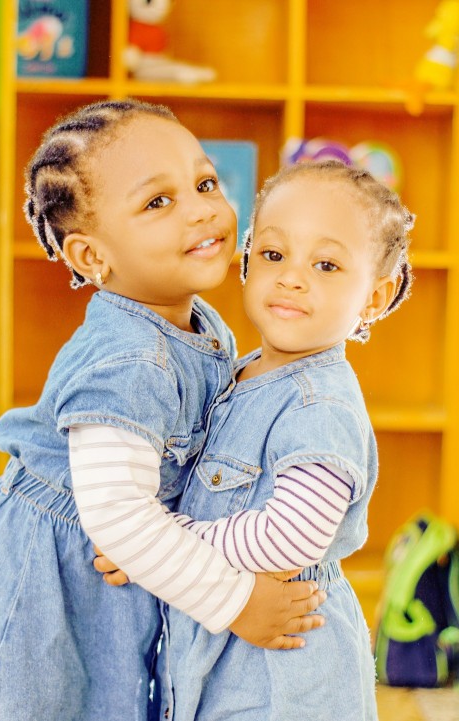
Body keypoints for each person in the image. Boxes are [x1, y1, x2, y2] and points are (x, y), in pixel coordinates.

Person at [0, 99, 324, 721]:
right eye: (157, 202)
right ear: (91, 257)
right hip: (45, 578)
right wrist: (237, 602)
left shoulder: (197, 318)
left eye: (205, 182)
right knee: (39, 701)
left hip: (121, 553)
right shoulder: (129, 360)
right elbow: (116, 514)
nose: (201, 209)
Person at [97, 159, 414, 720]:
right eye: (273, 255)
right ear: (245, 262)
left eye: (326, 264)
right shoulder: (236, 374)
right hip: (219, 660)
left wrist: (158, 545)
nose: (292, 277)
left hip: (283, 678)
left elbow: (291, 537)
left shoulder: (321, 405)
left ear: (375, 297)